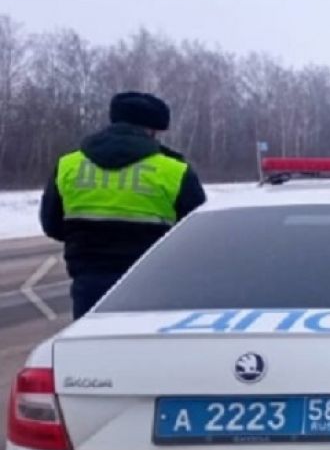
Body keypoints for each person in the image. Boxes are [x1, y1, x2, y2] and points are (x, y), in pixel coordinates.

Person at [40, 92, 206, 318]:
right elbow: (195, 234)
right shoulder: (174, 170)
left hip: (89, 283)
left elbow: (52, 225)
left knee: (92, 348)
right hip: (152, 283)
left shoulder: (68, 165)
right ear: (153, 130)